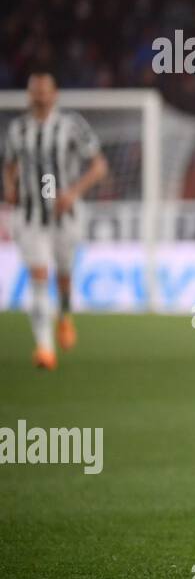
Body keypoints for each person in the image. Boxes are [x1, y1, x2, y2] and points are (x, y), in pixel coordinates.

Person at [3, 72, 107, 369]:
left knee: (63, 276)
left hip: (66, 215)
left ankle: (64, 314)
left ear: (54, 93)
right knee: (38, 276)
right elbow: (9, 166)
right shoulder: (18, 130)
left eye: (44, 91)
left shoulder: (71, 126)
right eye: (34, 91)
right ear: (28, 94)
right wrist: (10, 187)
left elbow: (99, 166)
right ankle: (44, 348)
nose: (39, 97)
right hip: (30, 216)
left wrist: (72, 193)